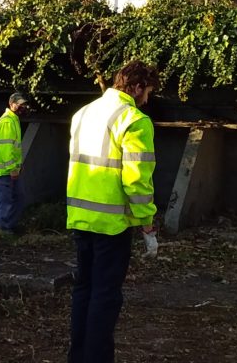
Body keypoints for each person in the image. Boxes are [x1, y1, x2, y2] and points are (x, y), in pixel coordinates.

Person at [67, 59, 159, 363]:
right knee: (105, 296)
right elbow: (136, 180)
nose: (147, 99)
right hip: (113, 225)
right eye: (147, 91)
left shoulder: (83, 114)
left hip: (80, 217)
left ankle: (77, 356)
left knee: (83, 290)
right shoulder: (134, 119)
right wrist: (146, 222)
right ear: (135, 87)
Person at [0, 92, 30, 235]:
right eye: (20, 104)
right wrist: (13, 168)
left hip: (11, 170)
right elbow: (6, 149)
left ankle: (7, 225)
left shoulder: (13, 120)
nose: (23, 107)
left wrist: (18, 167)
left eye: (24, 104)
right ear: (12, 104)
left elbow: (12, 149)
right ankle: (3, 229)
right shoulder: (8, 122)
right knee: (6, 200)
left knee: (15, 198)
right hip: (6, 171)